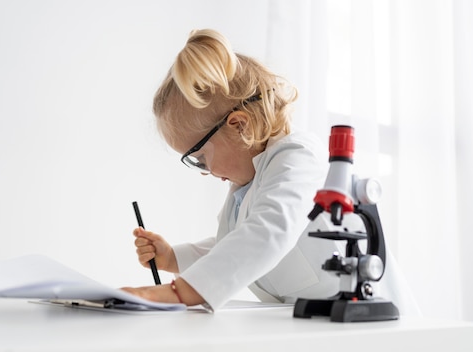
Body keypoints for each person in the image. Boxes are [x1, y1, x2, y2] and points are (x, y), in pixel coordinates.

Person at [121, 28, 340, 311]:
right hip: (312, 322)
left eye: (199, 157)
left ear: (239, 126)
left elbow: (267, 232)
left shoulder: (298, 157)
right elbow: (234, 244)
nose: (203, 170)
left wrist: (178, 293)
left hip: (370, 325)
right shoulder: (245, 186)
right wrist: (175, 258)